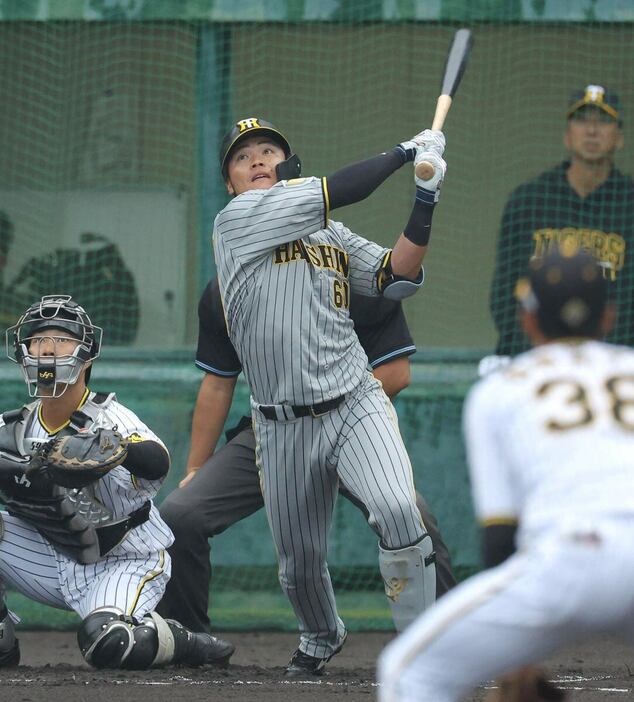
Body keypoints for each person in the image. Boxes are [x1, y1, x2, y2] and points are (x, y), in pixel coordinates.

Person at [212, 116, 447, 676]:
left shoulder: (330, 236)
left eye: (269, 150)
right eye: (244, 158)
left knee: (396, 508)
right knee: (299, 566)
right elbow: (343, 188)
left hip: (353, 401)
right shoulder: (236, 222)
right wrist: (402, 151)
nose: (258, 161)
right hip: (280, 423)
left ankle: (423, 646)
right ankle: (321, 636)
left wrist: (425, 196)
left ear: (288, 165)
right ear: (230, 182)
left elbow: (395, 276)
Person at [378, 246, 634, 702]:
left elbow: (500, 539)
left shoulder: (499, 390)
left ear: (528, 319)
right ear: (609, 317)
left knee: (407, 672)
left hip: (570, 558)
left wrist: (515, 661)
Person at [156, 278, 456, 636]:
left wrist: (331, 411)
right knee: (180, 515)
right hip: (274, 430)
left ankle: (447, 639)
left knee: (411, 515)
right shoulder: (231, 282)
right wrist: (196, 466)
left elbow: (396, 372)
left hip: (349, 427)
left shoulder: (352, 273)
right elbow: (218, 382)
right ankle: (189, 641)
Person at [0, 294, 234, 669]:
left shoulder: (111, 420)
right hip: (51, 558)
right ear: (23, 351)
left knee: (109, 644)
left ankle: (182, 638)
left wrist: (119, 450)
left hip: (124, 561)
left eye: (61, 339)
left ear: (86, 355)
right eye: (38, 339)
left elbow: (158, 462)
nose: (47, 348)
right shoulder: (13, 429)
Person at [490, 84, 634, 358]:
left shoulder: (629, 202)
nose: (592, 131)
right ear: (567, 135)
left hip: (617, 362)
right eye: (582, 120)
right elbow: (506, 291)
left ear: (620, 137)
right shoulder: (530, 200)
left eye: (603, 121)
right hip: (536, 357)